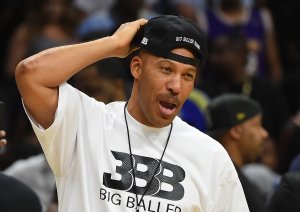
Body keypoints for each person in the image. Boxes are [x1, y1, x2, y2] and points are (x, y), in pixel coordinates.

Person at [15, 15, 249, 211]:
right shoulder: (85, 123)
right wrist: (114, 44)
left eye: (187, 75)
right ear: (137, 67)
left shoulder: (211, 155)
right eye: (166, 69)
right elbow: (31, 74)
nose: (176, 86)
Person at [205, 93, 268, 212]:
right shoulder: (233, 184)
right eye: (257, 126)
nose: (264, 134)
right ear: (236, 131)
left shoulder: (207, 173)